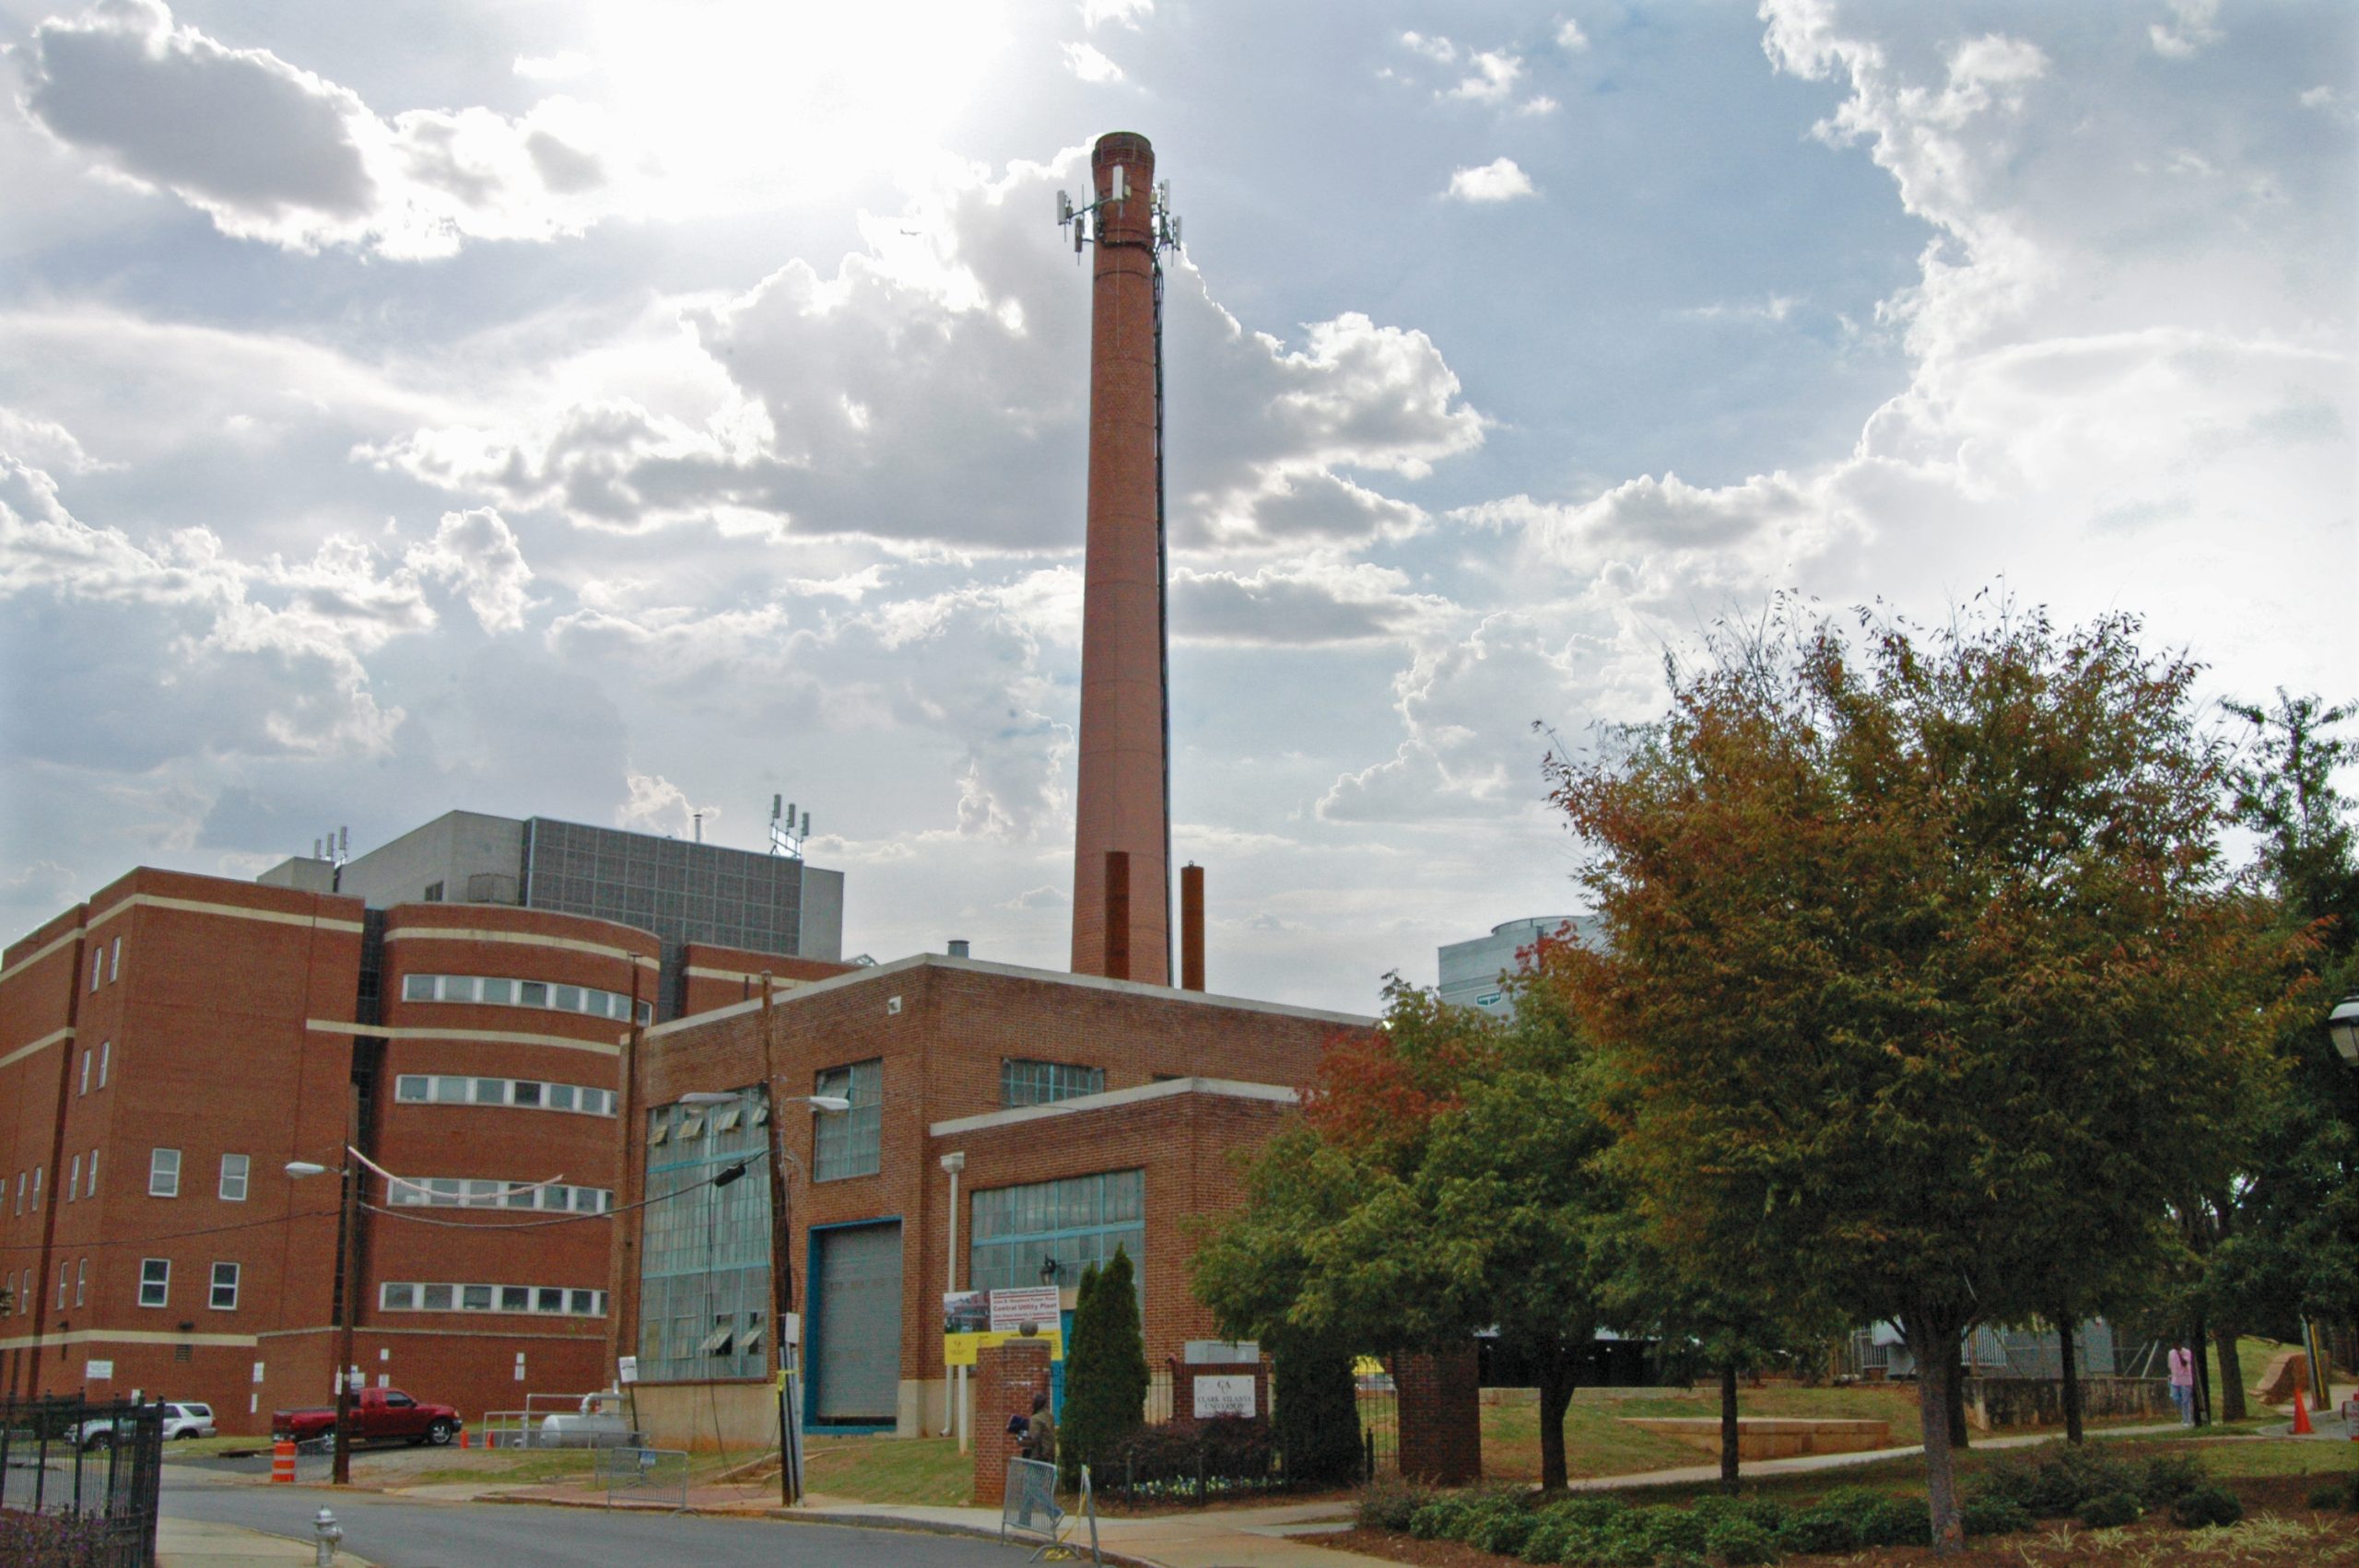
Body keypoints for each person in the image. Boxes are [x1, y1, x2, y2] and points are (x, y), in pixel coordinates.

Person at [1020, 1391, 1056, 1464]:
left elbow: (1032, 1440)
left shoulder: (1035, 1419)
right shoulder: (1050, 1416)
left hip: (1038, 1458)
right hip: (1049, 1457)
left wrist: (1020, 1438)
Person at [2167, 1342, 2194, 1425]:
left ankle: (2187, 1420)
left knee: (2185, 1400)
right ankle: (2186, 1414)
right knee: (2175, 1397)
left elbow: (2184, 1363)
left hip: (2185, 1379)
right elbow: (2170, 1365)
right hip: (2175, 1379)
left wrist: (2179, 1353)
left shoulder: (2187, 1352)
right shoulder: (2171, 1353)